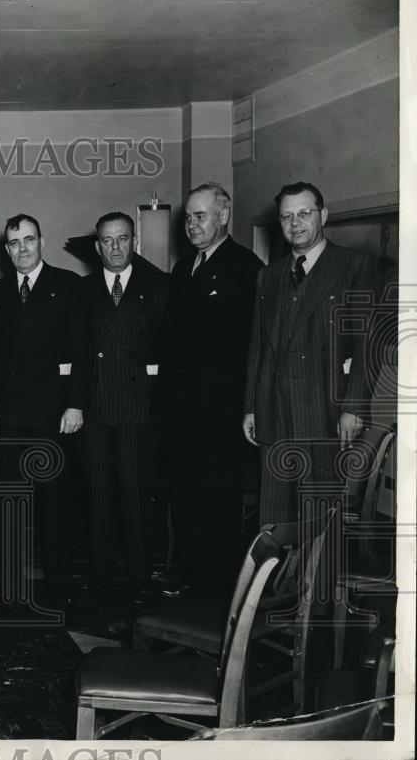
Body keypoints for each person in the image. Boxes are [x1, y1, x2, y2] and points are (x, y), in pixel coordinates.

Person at [243, 182, 377, 525]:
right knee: (273, 516)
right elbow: (258, 347)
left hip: (324, 413)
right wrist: (251, 408)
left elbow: (365, 345)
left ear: (324, 216)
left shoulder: (353, 267)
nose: (295, 223)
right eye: (287, 216)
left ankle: (314, 581)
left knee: (317, 515)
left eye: (304, 213)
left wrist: (354, 408)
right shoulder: (268, 276)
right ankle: (275, 581)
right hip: (274, 412)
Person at [158, 183, 262, 595]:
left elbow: (251, 345)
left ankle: (217, 593)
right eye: (188, 217)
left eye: (200, 216)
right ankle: (189, 580)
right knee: (184, 499)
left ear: (224, 215)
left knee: (218, 504)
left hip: (221, 413)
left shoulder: (246, 267)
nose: (192, 225)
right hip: (182, 413)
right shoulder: (184, 268)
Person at [0, 213, 86, 603]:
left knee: (56, 505)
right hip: (6, 419)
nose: (21, 248)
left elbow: (81, 350)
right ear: (6, 249)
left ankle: (58, 584)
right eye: (14, 242)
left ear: (41, 242)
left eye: (28, 240)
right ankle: (5, 585)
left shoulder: (69, 286)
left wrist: (75, 405)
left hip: (54, 418)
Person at [79, 212, 168, 587]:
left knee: (135, 496)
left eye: (122, 239)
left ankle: (139, 574)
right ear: (97, 246)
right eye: (107, 240)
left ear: (135, 242)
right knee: (98, 496)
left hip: (139, 407)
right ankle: (100, 575)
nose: (115, 247)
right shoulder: (82, 291)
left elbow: (169, 349)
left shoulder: (160, 286)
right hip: (95, 408)